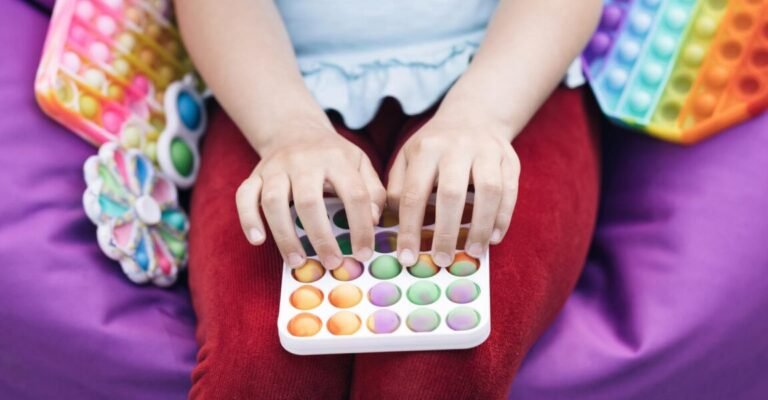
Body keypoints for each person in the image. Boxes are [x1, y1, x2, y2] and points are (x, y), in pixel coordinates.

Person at [176, 0, 603, 398]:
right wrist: (287, 131)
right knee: (259, 371)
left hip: (512, 64)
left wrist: (481, 117)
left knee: (439, 364)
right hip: (262, 80)